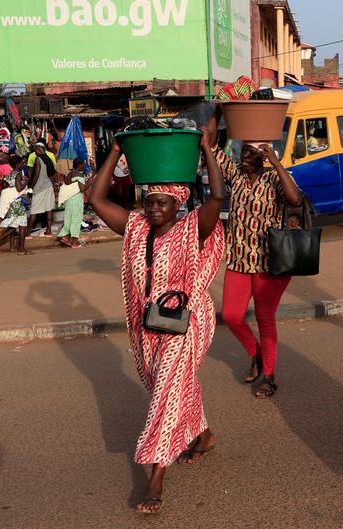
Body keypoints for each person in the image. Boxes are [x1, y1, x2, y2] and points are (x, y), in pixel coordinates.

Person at [88, 131, 225, 514]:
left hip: (189, 323)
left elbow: (216, 198)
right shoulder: (135, 230)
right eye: (148, 203)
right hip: (149, 325)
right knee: (170, 386)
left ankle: (154, 480)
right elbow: (97, 199)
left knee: (165, 394)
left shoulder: (192, 230)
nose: (152, 209)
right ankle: (205, 436)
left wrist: (207, 150)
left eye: (160, 203)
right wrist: (116, 151)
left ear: (177, 205)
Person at [205, 105, 304, 399]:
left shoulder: (273, 179)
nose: (242, 158)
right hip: (238, 260)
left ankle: (269, 376)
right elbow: (209, 143)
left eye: (249, 154)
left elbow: (295, 199)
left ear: (262, 157)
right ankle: (256, 354)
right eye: (241, 153)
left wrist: (275, 161)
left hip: (269, 263)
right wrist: (219, 111)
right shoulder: (236, 175)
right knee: (233, 316)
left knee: (265, 319)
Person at [0, 155, 32, 255]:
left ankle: (12, 247)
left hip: (11, 202)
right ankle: (21, 249)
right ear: (18, 164)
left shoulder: (9, 174)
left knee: (14, 224)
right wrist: (26, 181)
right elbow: (19, 188)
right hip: (17, 203)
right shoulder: (17, 174)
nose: (24, 164)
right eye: (22, 163)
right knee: (22, 226)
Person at [27, 142, 57, 236]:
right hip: (48, 187)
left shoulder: (38, 159)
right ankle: (49, 231)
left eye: (35, 150)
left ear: (39, 149)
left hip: (39, 187)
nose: (34, 152)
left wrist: (32, 186)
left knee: (34, 211)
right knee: (49, 210)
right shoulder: (49, 159)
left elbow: (36, 175)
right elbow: (53, 174)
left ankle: (27, 233)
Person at [57, 158, 88, 248]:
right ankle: (74, 242)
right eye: (83, 164)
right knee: (76, 219)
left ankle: (65, 237)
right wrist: (89, 183)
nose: (84, 166)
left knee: (68, 218)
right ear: (79, 165)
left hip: (69, 200)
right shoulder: (79, 175)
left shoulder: (70, 174)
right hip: (76, 200)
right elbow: (82, 189)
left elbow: (67, 183)